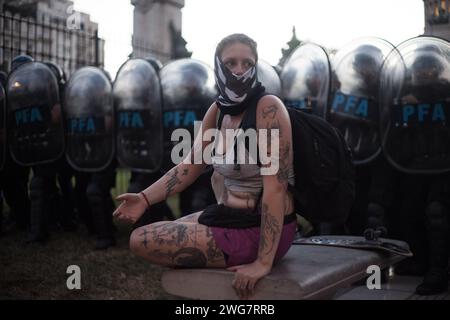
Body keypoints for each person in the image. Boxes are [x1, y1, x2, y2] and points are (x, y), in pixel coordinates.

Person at [114, 33, 297, 299]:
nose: (239, 70)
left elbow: (275, 189)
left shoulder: (268, 109)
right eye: (231, 63)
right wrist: (144, 198)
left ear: (256, 67)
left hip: (259, 230)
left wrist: (263, 262)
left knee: (141, 240)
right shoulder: (218, 110)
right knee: (168, 233)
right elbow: (190, 165)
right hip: (226, 214)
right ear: (218, 66)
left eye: (247, 63)